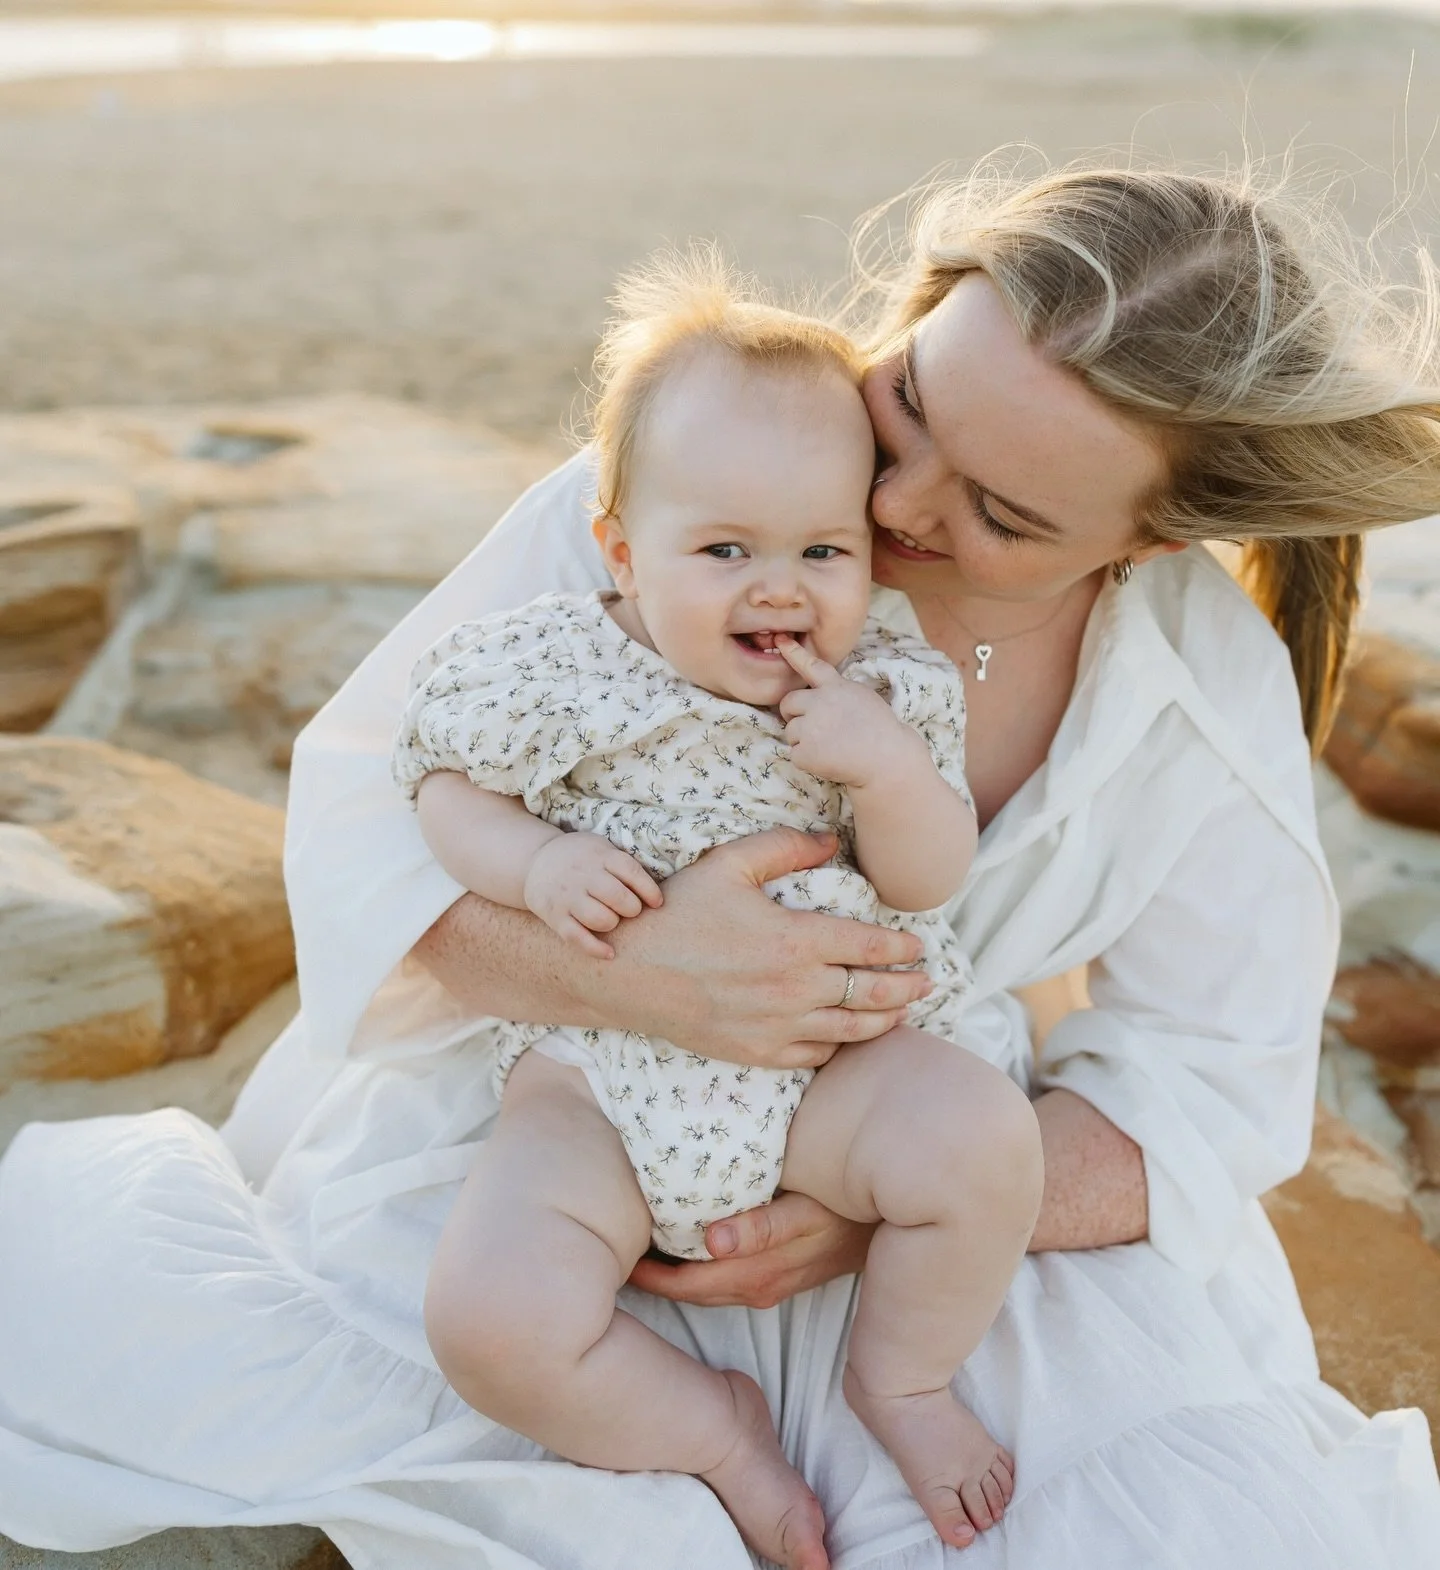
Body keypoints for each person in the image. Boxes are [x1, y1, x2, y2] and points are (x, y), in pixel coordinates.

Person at [2, 160, 1439, 1570]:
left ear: (1156, 534)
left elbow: (1213, 1077)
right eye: (914, 404)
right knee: (496, 1382)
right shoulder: (698, 477)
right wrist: (625, 971)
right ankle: (706, 1427)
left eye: (1005, 514)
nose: (896, 503)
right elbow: (378, 799)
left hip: (908, 1180)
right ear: (925, 307)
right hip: (564, 1102)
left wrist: (869, 1220)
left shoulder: (1198, 678)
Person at [396, 255, 1033, 1564]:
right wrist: (531, 865)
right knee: (487, 1321)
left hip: (826, 1071)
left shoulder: (880, 687)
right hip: (593, 1079)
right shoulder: (560, 660)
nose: (780, 587)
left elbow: (929, 875)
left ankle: (901, 1376)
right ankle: (716, 1431)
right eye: (725, 549)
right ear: (623, 551)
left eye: (821, 549)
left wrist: (892, 771)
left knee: (983, 1139)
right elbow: (440, 790)